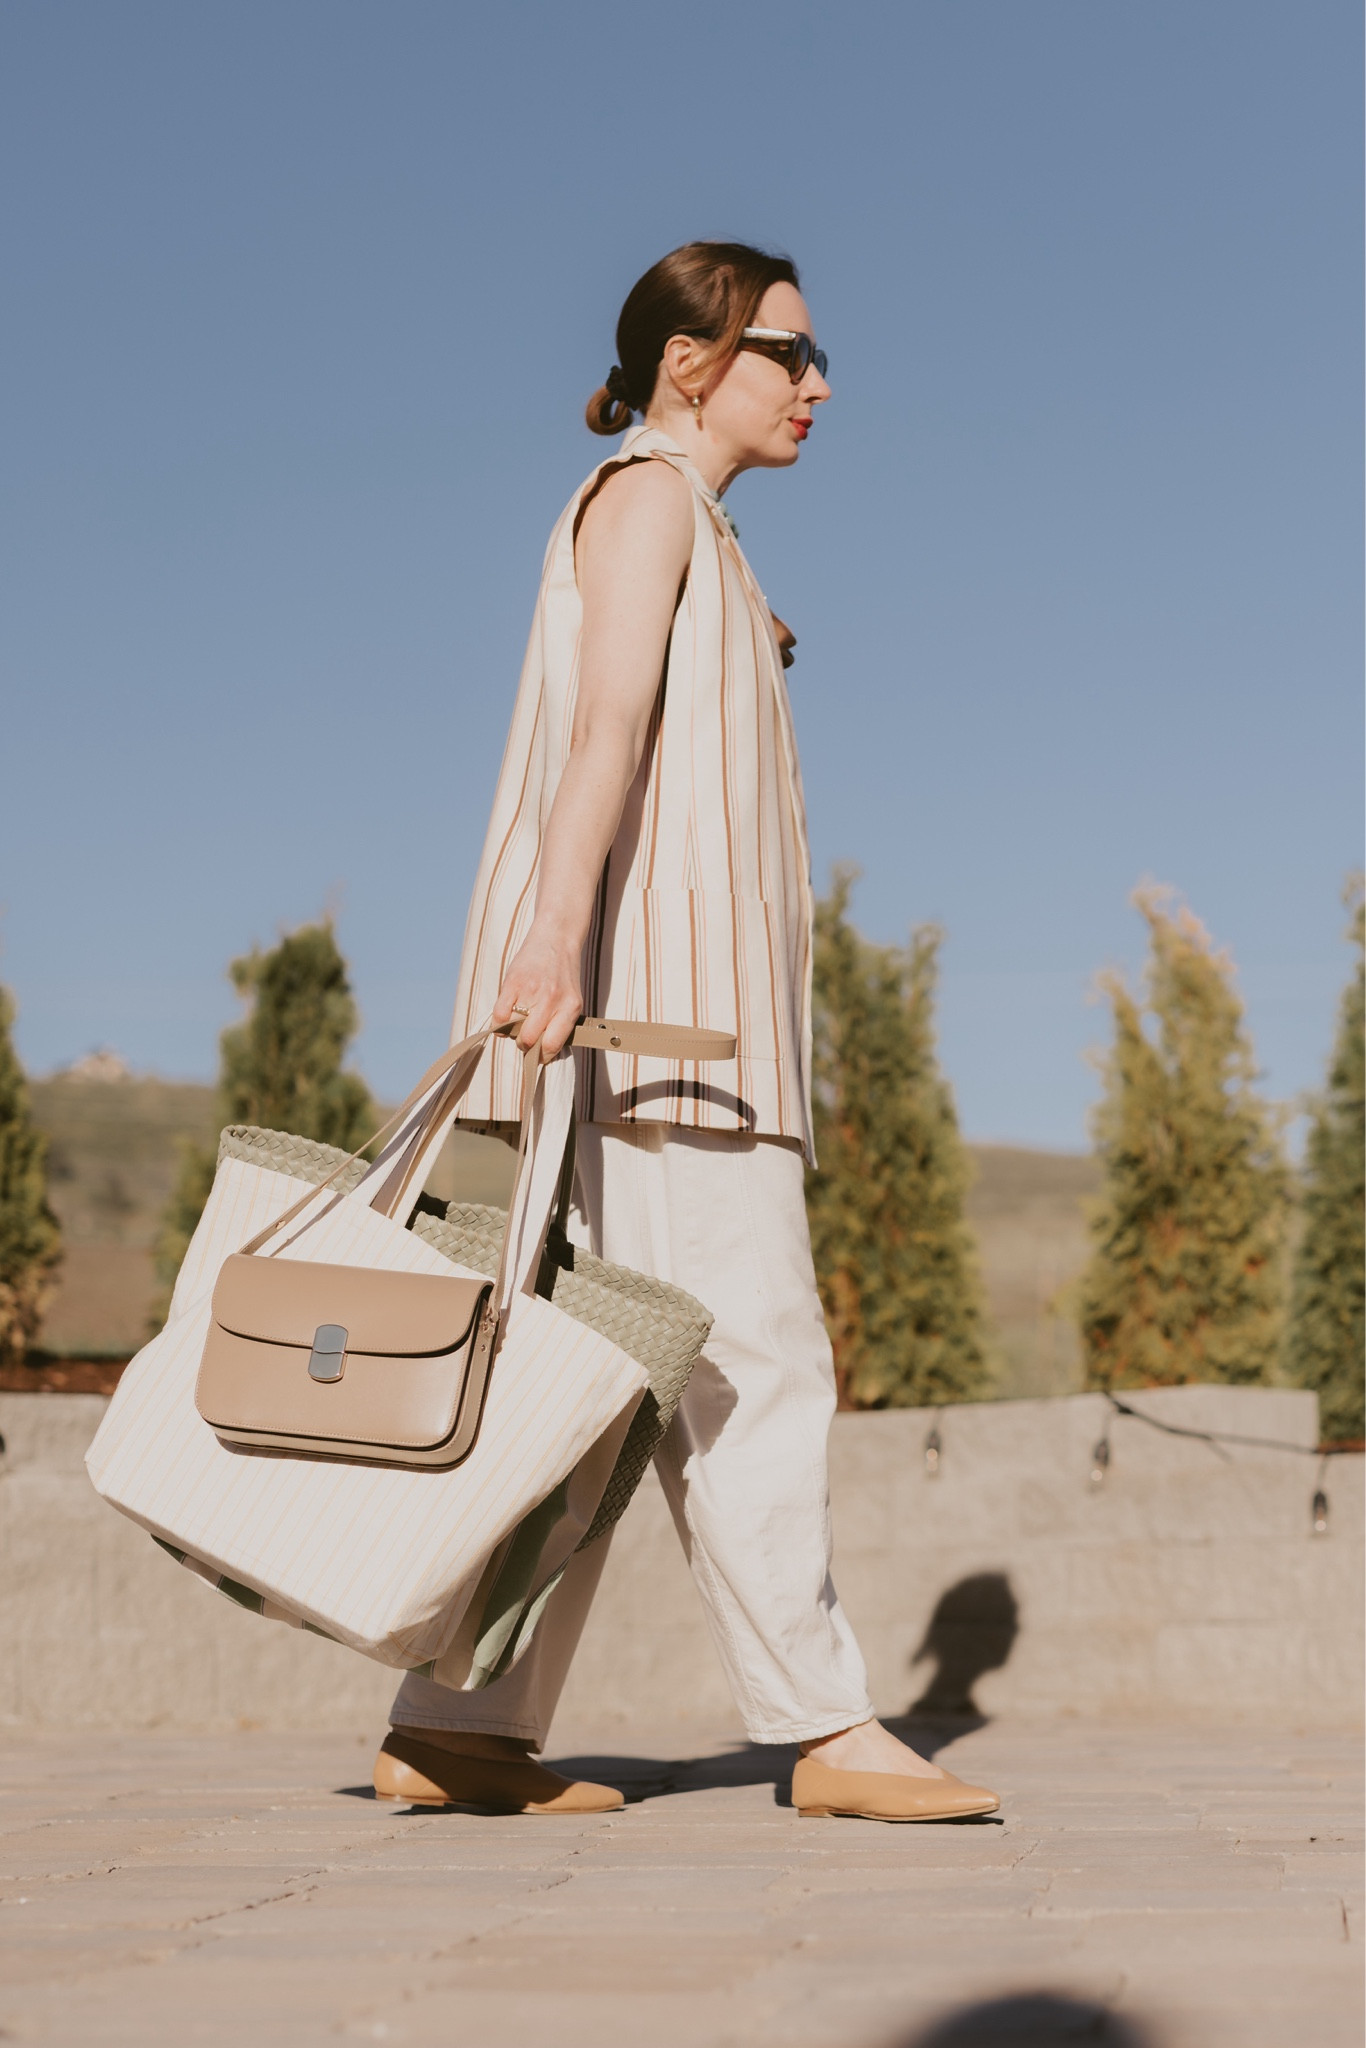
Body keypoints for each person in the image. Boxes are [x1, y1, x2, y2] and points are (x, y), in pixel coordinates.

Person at [373, 242, 999, 1824]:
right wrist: (556, 937)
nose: (819, 383)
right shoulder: (645, 495)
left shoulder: (691, 529)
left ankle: (456, 1728)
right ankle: (822, 1727)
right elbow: (601, 736)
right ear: (687, 364)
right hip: (658, 1026)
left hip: (646, 1020)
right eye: (790, 351)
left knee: (596, 1378)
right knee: (757, 1361)